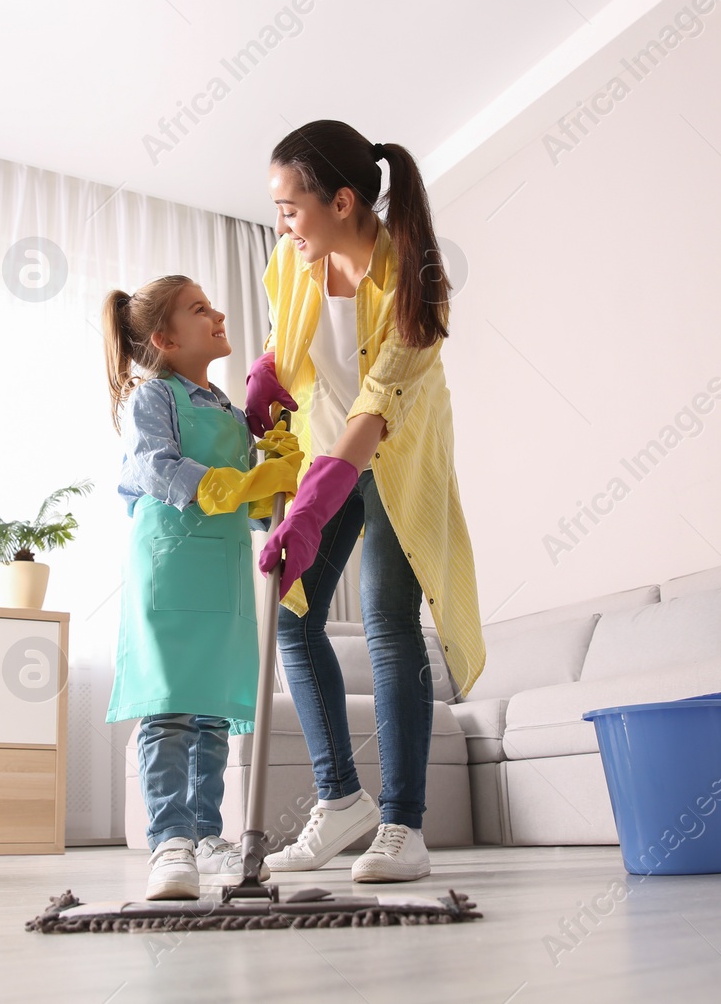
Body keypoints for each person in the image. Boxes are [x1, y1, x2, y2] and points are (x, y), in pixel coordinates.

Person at [248, 120, 485, 883]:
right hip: (325, 447)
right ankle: (341, 799)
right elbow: (294, 340)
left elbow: (377, 410)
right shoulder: (293, 259)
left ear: (343, 201)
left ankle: (403, 824)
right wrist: (265, 374)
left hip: (392, 457)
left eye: (291, 207)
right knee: (294, 610)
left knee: (387, 619)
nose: (282, 222)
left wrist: (313, 509)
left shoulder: (416, 282)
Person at [102, 274, 302, 900]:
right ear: (163, 337)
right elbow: (150, 467)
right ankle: (170, 842)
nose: (217, 313)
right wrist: (227, 483)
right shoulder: (153, 397)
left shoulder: (228, 409)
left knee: (212, 710)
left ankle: (209, 836)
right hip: (171, 566)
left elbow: (257, 506)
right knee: (170, 706)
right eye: (198, 309)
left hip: (222, 572)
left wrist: (276, 471)